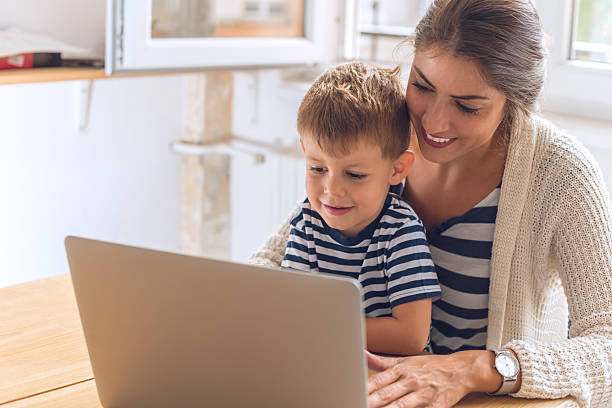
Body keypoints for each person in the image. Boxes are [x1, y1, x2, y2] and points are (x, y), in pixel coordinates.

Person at [249, 0, 612, 406]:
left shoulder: (560, 175)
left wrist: (481, 368)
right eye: (422, 86)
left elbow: (607, 345)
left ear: (514, 102)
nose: (432, 124)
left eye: (467, 106)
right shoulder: (383, 131)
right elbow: (272, 261)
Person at [282, 61, 441, 356]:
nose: (332, 190)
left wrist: (322, 329)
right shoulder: (306, 223)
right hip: (325, 364)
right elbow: (291, 311)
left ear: (397, 170)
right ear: (305, 152)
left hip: (394, 377)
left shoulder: (400, 231)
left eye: (354, 175)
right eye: (317, 168)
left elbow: (411, 336)